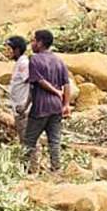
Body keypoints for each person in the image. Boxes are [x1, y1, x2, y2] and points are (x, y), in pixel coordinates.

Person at [22, 29, 71, 173]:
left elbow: (39, 81)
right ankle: (56, 169)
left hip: (41, 106)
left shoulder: (35, 59)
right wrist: (66, 104)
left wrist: (55, 91)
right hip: (56, 107)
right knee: (54, 141)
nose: (31, 44)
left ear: (40, 43)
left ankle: (24, 169)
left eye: (33, 41)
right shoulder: (58, 60)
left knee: (29, 141)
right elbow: (67, 84)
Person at [5, 35, 31, 143]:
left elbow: (31, 81)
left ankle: (31, 159)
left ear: (17, 50)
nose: (7, 52)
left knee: (27, 139)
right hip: (18, 107)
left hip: (23, 108)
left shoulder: (23, 64)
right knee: (23, 138)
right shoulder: (19, 63)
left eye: (9, 49)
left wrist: (26, 104)